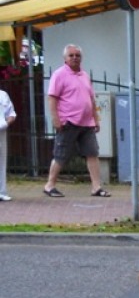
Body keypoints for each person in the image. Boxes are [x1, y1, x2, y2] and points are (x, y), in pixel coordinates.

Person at [43, 43, 109, 198]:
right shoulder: (59, 75)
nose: (74, 58)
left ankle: (96, 187)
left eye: (77, 55)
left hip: (87, 123)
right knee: (61, 154)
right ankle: (49, 185)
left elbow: (91, 99)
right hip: (68, 121)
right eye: (71, 55)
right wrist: (55, 119)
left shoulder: (85, 76)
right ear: (65, 58)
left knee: (92, 153)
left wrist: (96, 119)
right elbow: (52, 98)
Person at [0, 85, 15, 202]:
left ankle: (2, 192)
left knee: (1, 160)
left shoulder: (3, 95)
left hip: (1, 130)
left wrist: (6, 123)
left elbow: (11, 113)